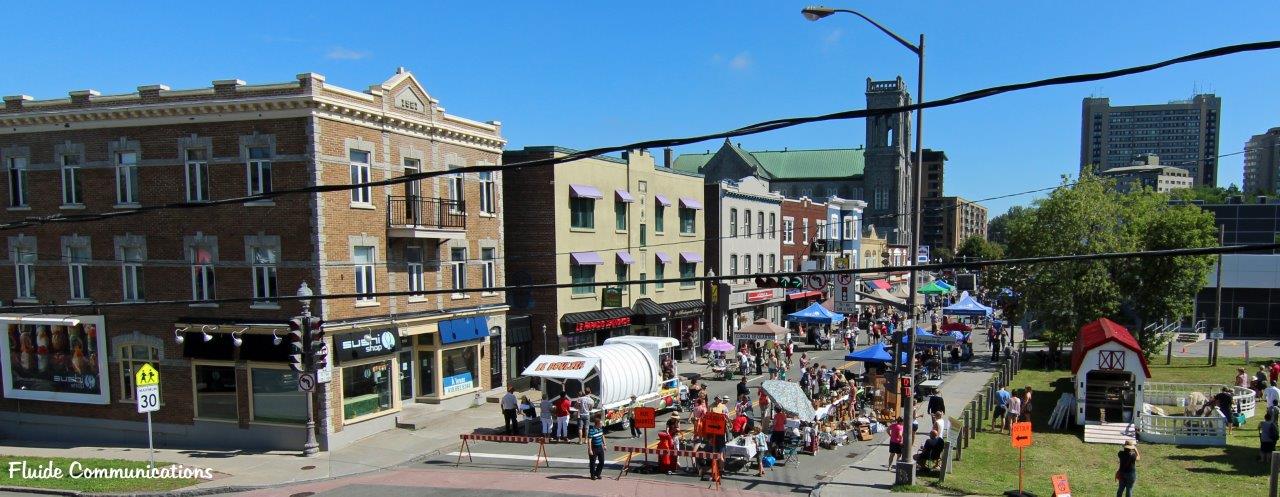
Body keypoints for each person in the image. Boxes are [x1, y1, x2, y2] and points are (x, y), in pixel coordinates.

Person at [587, 415, 606, 480]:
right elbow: (589, 440)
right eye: (601, 423)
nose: (602, 424)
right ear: (597, 424)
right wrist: (590, 450)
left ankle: (597, 473)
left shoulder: (600, 429)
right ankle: (592, 475)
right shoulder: (592, 430)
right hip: (593, 448)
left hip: (600, 447)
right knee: (592, 462)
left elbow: (602, 436)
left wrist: (604, 444)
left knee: (602, 462)